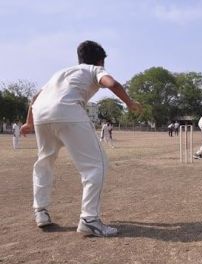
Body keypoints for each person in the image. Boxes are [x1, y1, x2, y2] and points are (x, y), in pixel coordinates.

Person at [20, 40, 142, 237]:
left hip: (41, 113)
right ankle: (89, 219)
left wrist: (29, 123)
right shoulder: (95, 69)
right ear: (101, 61)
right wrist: (129, 102)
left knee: (44, 162)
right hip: (68, 111)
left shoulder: (60, 73)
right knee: (96, 165)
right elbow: (112, 83)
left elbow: (35, 97)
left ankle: (40, 211)